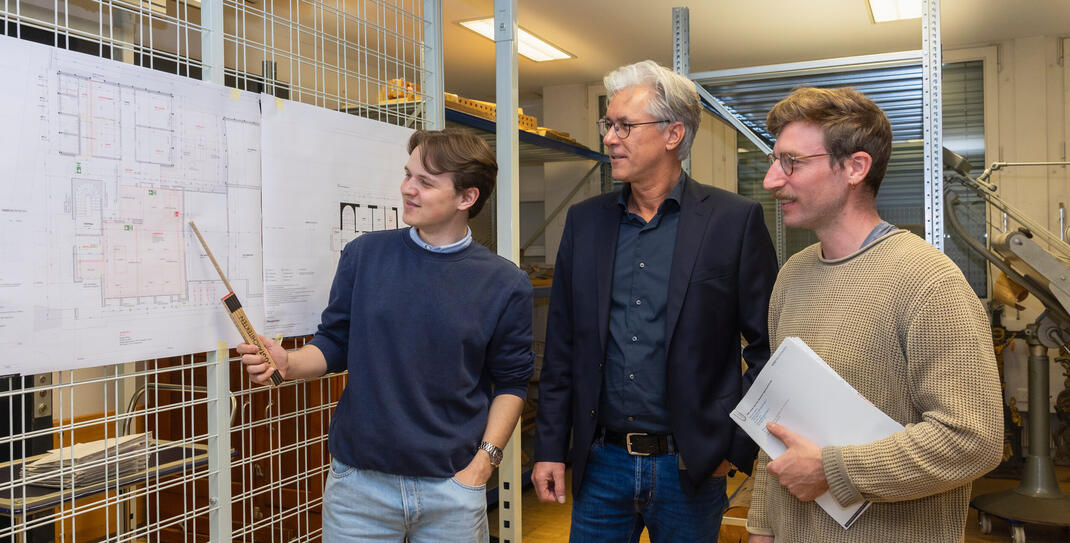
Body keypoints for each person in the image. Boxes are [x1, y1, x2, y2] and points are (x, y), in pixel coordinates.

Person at [238, 129, 535, 543]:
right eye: (408, 175)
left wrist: (482, 465)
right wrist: (288, 363)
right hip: (360, 489)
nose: (407, 189)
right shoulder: (364, 255)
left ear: (466, 198)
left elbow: (512, 383)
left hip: (452, 489)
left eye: (425, 182)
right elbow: (335, 342)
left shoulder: (505, 283)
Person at [531, 59, 778, 543]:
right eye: (608, 124)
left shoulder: (733, 221)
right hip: (600, 464)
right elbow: (561, 346)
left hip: (690, 467)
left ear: (673, 134)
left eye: (625, 125)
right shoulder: (585, 222)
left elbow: (769, 347)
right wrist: (550, 449)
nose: (610, 138)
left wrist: (734, 447)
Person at [746, 86, 1002, 542]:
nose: (770, 180)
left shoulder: (927, 281)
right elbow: (778, 426)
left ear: (855, 167)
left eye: (791, 162)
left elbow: (972, 440)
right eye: (773, 160)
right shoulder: (792, 276)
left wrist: (834, 470)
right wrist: (762, 527)